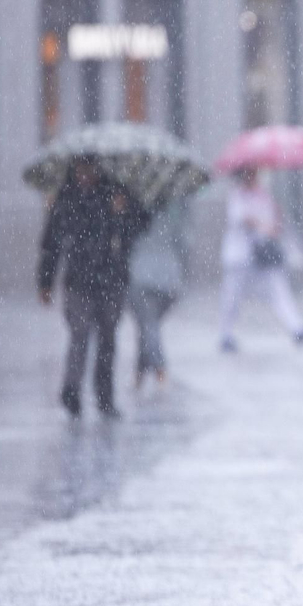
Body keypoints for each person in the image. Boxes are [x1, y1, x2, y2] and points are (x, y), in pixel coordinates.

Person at [37, 156, 152, 418]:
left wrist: (125, 211)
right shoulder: (66, 199)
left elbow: (141, 225)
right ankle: (72, 391)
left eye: (89, 169)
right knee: (79, 336)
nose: (85, 174)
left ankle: (104, 396)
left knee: (107, 340)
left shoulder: (116, 193)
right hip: (79, 281)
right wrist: (45, 281)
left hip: (111, 280)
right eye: (80, 169)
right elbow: (51, 243)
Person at [218, 167, 303, 353]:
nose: (253, 176)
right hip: (240, 256)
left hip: (263, 255)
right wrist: (261, 225)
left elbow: (274, 223)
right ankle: (225, 335)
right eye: (250, 173)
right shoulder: (237, 196)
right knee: (232, 297)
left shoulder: (264, 195)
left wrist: (275, 220)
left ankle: (297, 328)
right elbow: (242, 219)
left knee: (279, 290)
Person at [128, 195, 190, 389]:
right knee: (147, 326)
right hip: (169, 279)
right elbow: (184, 242)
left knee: (148, 325)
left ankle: (159, 367)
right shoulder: (173, 210)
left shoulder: (132, 210)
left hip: (140, 275)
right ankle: (140, 372)